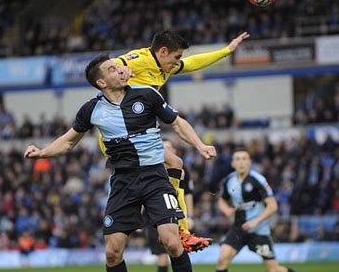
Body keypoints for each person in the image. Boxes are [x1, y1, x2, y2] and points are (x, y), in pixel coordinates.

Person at [24, 55, 217, 272]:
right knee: (113, 252)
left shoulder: (147, 95)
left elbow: (177, 124)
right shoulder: (92, 109)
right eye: (113, 68)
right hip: (123, 183)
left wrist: (200, 145)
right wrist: (41, 152)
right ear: (101, 81)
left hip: (154, 178)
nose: (121, 69)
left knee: (171, 240)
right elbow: (67, 141)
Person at [104, 29, 250, 253]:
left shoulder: (163, 68)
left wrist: (226, 51)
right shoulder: (141, 60)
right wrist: (117, 68)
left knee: (176, 165)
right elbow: (111, 64)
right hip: (119, 138)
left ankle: (176, 229)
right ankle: (166, 225)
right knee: (164, 170)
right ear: (163, 52)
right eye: (176, 57)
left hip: (139, 136)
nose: (178, 63)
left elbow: (192, 63)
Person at [204, 149, 323, 272]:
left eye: (244, 158)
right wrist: (226, 210)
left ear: (250, 162)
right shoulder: (229, 181)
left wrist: (255, 222)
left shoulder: (258, 180)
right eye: (237, 159)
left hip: (258, 230)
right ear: (232, 163)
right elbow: (222, 201)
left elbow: (273, 206)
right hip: (239, 229)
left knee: (274, 270)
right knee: (222, 258)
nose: (241, 162)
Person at [145, 139, 195, 272]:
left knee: (177, 253)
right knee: (161, 259)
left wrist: (190, 215)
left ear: (173, 150)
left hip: (176, 216)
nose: (165, 151)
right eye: (162, 147)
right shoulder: (149, 166)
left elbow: (188, 193)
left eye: (168, 148)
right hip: (153, 217)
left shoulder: (180, 169)